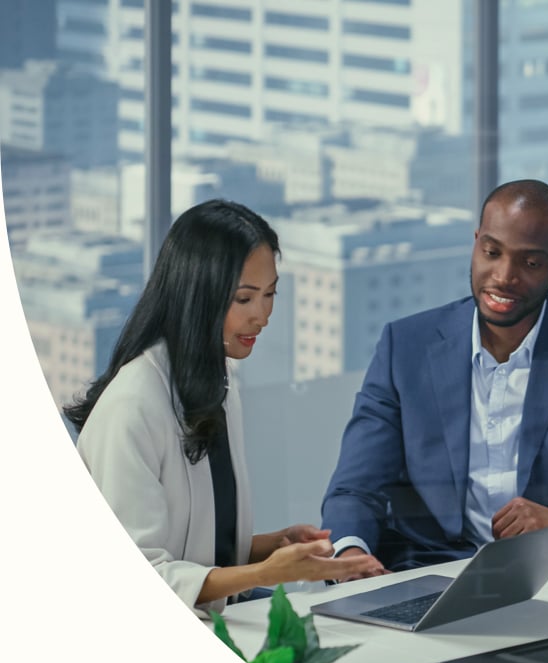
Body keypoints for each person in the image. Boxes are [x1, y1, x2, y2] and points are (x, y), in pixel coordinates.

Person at [321, 179, 548, 574]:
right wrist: (350, 557)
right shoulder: (406, 346)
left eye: (530, 262)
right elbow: (354, 489)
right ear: (476, 243)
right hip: (429, 574)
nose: (504, 276)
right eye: (492, 252)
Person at [64, 199, 381, 614]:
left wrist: (275, 547)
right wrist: (268, 573)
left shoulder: (216, 380)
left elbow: (193, 545)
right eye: (245, 299)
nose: (262, 315)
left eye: (270, 295)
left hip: (222, 612)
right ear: (198, 296)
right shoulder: (132, 406)